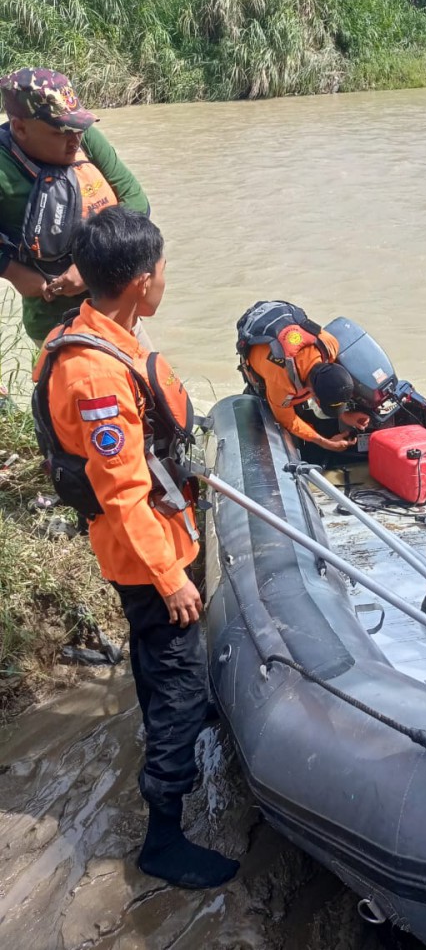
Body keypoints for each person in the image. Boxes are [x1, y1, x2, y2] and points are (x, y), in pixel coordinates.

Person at [32, 207, 239, 889]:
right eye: (163, 271)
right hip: (147, 552)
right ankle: (163, 834)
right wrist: (172, 578)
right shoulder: (93, 374)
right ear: (144, 280)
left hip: (155, 535)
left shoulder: (97, 331)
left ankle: (167, 725)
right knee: (179, 675)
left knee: (159, 656)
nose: (165, 281)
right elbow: (121, 493)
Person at [0, 67, 149, 345]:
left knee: (151, 384)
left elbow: (137, 202)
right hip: (56, 323)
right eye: (60, 131)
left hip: (119, 311)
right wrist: (13, 271)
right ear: (20, 127)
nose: (75, 139)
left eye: (78, 126)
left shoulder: (84, 137)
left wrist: (88, 267)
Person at [236, 299, 370, 452]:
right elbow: (288, 420)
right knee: (264, 410)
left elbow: (324, 382)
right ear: (314, 396)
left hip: (287, 328)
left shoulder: (330, 345)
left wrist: (344, 415)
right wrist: (325, 442)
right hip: (261, 349)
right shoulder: (281, 384)